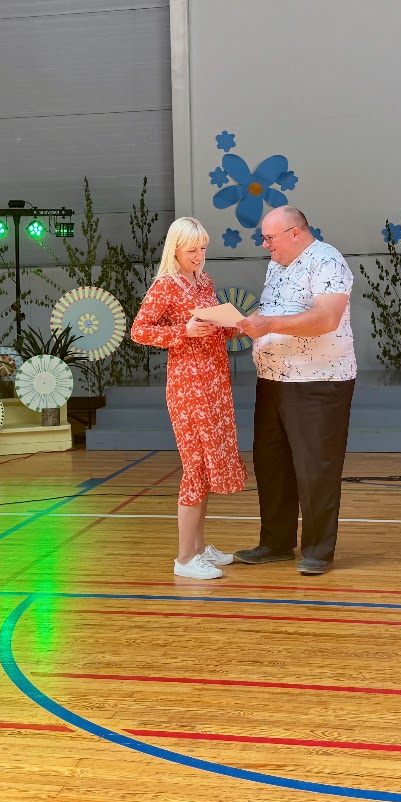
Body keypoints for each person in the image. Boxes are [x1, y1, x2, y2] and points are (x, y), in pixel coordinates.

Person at [234, 206, 356, 577]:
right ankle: (276, 542)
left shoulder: (327, 261)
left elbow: (327, 318)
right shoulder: (277, 265)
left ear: (295, 233)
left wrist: (268, 323)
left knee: (315, 467)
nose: (264, 244)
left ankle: (319, 550)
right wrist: (248, 325)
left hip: (317, 382)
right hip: (273, 379)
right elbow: (276, 313)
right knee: (271, 464)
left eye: (269, 237)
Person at [130, 216, 246, 579]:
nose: (199, 256)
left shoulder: (204, 280)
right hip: (188, 384)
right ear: (175, 249)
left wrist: (231, 327)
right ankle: (184, 559)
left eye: (203, 249)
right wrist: (184, 330)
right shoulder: (166, 285)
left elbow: (210, 328)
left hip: (215, 381)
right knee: (195, 466)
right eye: (192, 250)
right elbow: (139, 331)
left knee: (208, 466)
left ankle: (198, 547)